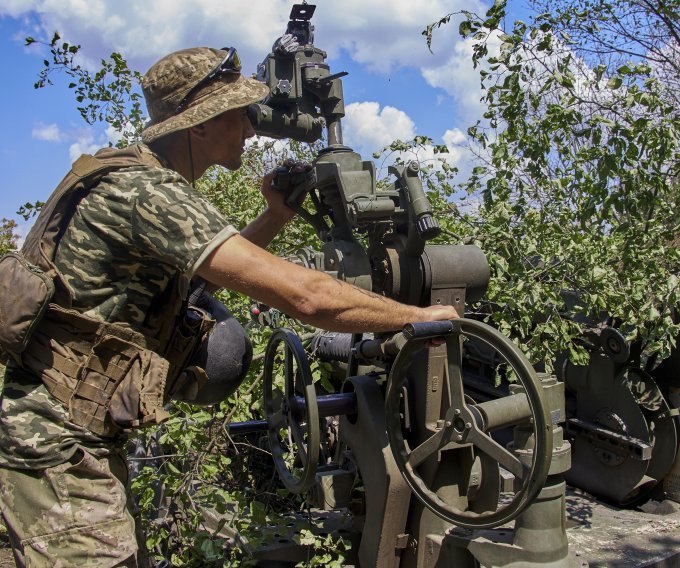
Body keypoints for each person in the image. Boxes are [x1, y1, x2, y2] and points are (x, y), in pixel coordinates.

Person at [0, 46, 457, 567]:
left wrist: (275, 217)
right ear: (198, 126)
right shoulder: (148, 193)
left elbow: (199, 279)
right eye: (238, 114)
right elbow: (303, 295)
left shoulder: (132, 177)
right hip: (57, 448)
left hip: (61, 436)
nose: (250, 128)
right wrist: (417, 318)